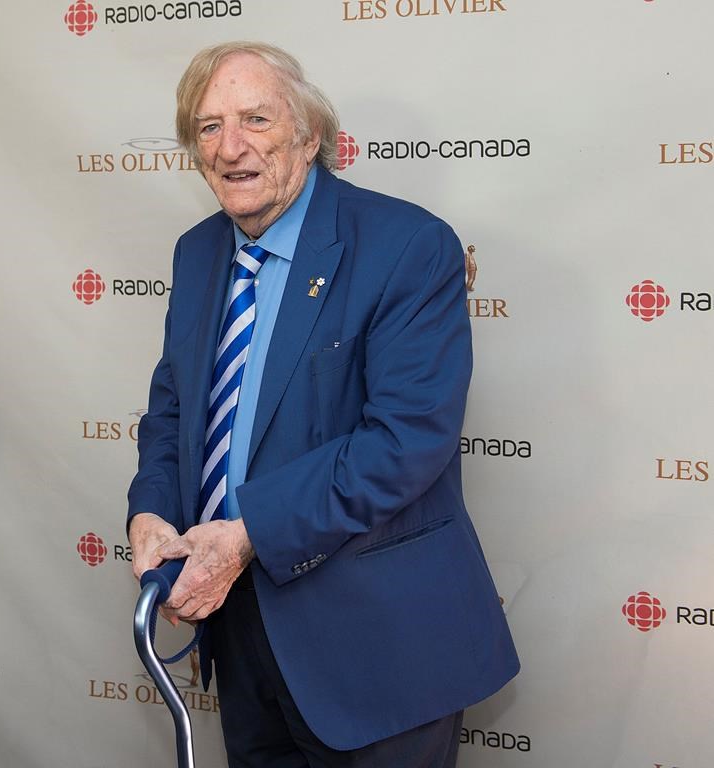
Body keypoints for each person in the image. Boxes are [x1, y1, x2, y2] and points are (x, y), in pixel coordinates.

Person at [127, 41, 519, 767]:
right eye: (208, 126)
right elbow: (173, 412)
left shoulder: (408, 245)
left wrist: (247, 534)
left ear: (309, 136)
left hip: (379, 644)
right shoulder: (196, 252)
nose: (230, 146)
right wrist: (149, 509)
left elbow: (406, 441)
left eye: (254, 119)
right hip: (240, 627)